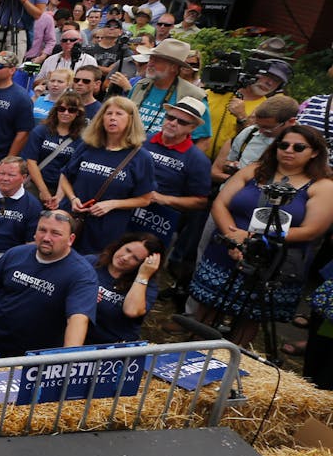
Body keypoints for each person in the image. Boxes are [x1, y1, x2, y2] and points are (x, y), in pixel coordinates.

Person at [191, 124, 333, 346]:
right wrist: (234, 237)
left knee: (249, 316)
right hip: (227, 249)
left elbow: (311, 230)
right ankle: (191, 356)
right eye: (283, 145)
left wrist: (250, 238)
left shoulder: (323, 186)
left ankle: (228, 363)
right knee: (208, 305)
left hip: (274, 262)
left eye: (299, 147)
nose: (289, 150)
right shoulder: (255, 170)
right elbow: (220, 203)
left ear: (314, 152)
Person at [0, 210, 98, 357]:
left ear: (71, 239)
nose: (46, 238)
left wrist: (68, 359)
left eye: (55, 233)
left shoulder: (82, 274)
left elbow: (78, 320)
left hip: (38, 357)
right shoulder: (16, 253)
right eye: (42, 230)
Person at [57, 96, 156, 256]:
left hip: (106, 229)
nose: (112, 118)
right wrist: (72, 198)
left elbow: (145, 199)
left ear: (131, 120)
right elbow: (66, 176)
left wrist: (112, 204)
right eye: (108, 113)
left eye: (119, 114)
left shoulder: (141, 157)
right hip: (72, 220)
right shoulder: (88, 146)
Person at [130, 97, 212, 247]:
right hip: (125, 207)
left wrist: (163, 198)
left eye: (182, 122)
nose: (173, 123)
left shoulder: (198, 159)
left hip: (158, 220)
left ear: (192, 128)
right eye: (170, 117)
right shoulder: (142, 141)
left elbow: (200, 201)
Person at [87, 233, 164, 345]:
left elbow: (132, 311)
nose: (125, 258)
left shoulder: (147, 286)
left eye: (135, 258)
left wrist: (142, 276)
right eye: (127, 250)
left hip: (109, 347)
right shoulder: (92, 262)